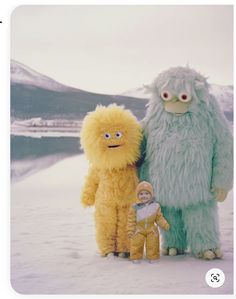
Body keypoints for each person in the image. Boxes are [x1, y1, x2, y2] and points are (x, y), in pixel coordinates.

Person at [127, 181, 170, 263]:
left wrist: (164, 224)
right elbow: (131, 220)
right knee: (136, 243)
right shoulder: (135, 207)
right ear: (137, 195)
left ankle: (153, 256)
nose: (144, 196)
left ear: (151, 195)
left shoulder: (155, 206)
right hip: (139, 229)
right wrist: (130, 230)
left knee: (153, 243)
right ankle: (136, 256)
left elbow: (159, 218)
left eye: (147, 193)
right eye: (141, 194)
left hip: (151, 228)